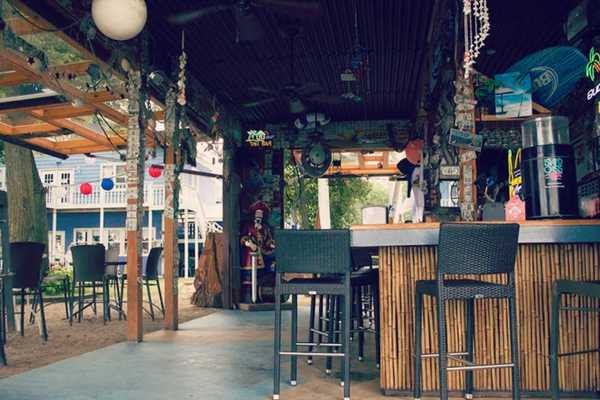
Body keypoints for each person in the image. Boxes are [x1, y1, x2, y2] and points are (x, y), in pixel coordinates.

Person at [240, 201, 275, 270]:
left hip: (262, 255)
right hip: (250, 255)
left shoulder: (265, 228)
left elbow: (267, 240)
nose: (259, 216)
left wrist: (271, 244)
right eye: (257, 213)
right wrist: (248, 243)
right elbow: (243, 237)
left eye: (261, 214)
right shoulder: (249, 226)